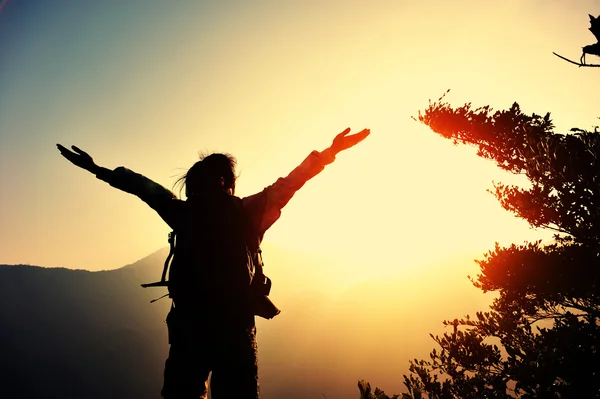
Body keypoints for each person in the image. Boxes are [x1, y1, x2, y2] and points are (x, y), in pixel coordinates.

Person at [56, 127, 370, 399]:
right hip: (235, 332)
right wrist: (329, 153)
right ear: (226, 182)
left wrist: (98, 169)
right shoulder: (247, 212)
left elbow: (142, 186)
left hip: (187, 331)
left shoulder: (183, 212)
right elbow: (290, 183)